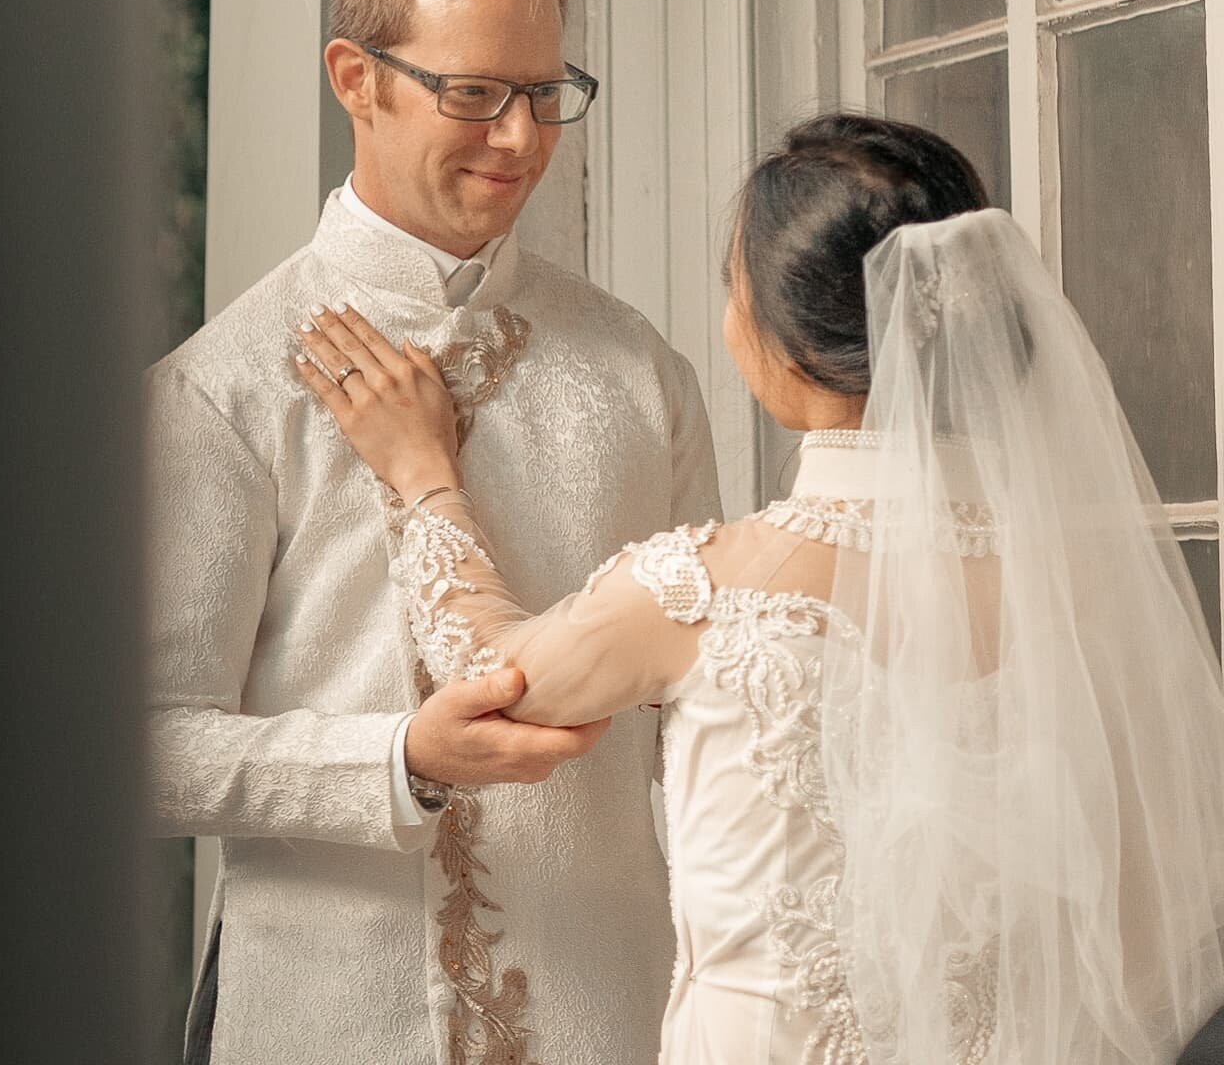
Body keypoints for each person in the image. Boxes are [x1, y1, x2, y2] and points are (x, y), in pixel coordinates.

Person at [299, 112, 1224, 1064]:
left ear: (782, 341)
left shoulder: (704, 593)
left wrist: (423, 475)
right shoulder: (1075, 593)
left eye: (733, 288)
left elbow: (487, 671)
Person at [145, 0, 721, 1065]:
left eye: (544, 94)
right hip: (325, 1022)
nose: (519, 138)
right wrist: (398, 762)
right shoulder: (223, 387)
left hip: (615, 1017)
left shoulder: (639, 369)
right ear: (356, 77)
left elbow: (697, 715)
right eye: (473, 93)